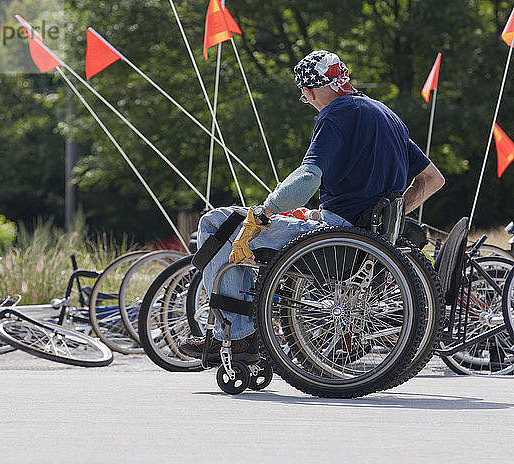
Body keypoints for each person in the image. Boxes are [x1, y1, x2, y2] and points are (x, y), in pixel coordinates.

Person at [179, 50, 445, 363]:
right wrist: (391, 216)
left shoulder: (336, 114)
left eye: (306, 96)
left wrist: (265, 211)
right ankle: (244, 330)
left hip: (333, 243)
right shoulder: (387, 116)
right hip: (367, 245)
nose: (310, 102)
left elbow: (307, 180)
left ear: (310, 90)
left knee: (217, 223)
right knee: (243, 231)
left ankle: (236, 336)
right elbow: (432, 179)